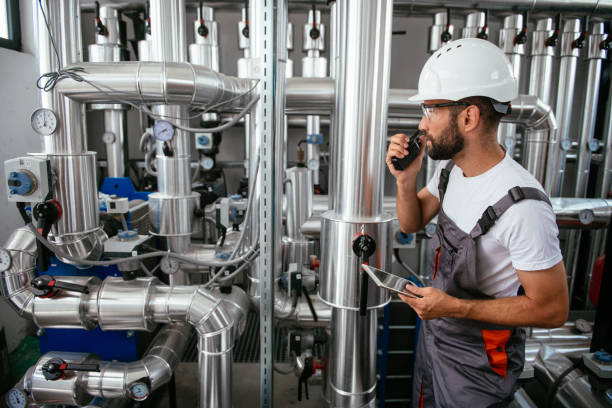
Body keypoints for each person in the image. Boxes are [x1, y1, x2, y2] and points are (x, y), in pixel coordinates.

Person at [386, 38, 569, 407]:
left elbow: (553, 309)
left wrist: (453, 307)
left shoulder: (524, 207)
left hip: (480, 364)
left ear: (468, 117)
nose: (422, 124)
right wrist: (406, 181)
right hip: (437, 338)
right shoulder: (450, 170)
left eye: (431, 110)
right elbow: (412, 222)